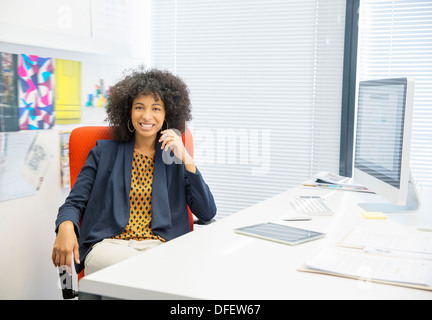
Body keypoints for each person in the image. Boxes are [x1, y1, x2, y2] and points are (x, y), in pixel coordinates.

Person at [52, 67, 217, 276]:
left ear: (167, 114)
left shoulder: (174, 157)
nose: (147, 116)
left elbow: (207, 212)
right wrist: (65, 226)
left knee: (147, 270)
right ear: (128, 111)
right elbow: (74, 202)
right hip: (108, 247)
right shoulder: (103, 152)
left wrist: (187, 159)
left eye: (156, 108)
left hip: (159, 247)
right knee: (144, 271)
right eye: (139, 107)